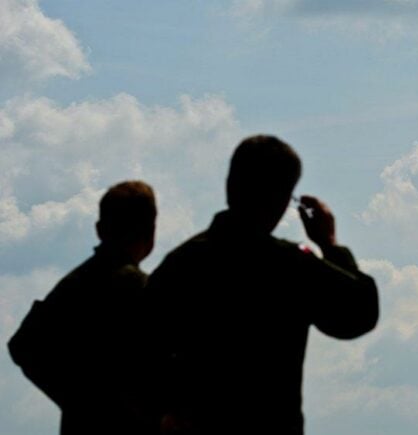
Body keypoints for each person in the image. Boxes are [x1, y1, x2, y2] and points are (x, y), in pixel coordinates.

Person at [144, 135, 379, 434]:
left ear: (230, 184)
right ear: (282, 200)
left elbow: (138, 358)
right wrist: (329, 244)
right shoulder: (291, 265)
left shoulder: (179, 264)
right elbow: (358, 314)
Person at [8, 180, 158, 435]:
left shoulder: (74, 283)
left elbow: (23, 344)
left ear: (99, 230)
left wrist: (75, 398)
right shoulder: (137, 287)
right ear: (150, 233)